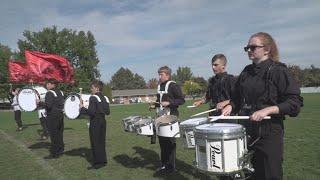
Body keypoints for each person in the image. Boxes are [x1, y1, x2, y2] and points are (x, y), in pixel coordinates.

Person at [222, 32, 303, 180]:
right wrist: (231, 106)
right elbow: (237, 98)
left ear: (267, 49)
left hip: (269, 132)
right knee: (249, 173)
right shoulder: (246, 71)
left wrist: (268, 109)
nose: (249, 51)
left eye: (253, 47)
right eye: (247, 48)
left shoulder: (278, 70)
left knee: (269, 174)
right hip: (247, 130)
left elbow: (294, 103)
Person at [154, 66, 185, 173]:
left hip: (171, 116)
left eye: (161, 74)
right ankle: (164, 164)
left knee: (170, 143)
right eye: (159, 74)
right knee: (162, 142)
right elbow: (159, 100)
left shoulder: (173, 85)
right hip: (161, 116)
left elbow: (181, 100)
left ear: (167, 75)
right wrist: (154, 105)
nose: (159, 76)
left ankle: (171, 167)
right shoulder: (159, 86)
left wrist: (169, 103)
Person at [193, 54, 236, 118]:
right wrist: (200, 102)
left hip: (227, 115)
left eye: (216, 65)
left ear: (223, 66)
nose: (213, 67)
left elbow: (238, 98)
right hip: (213, 115)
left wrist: (225, 103)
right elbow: (208, 97)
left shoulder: (231, 79)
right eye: (212, 65)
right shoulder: (212, 81)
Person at [80, 80, 110, 170]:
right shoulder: (105, 98)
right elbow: (107, 112)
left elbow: (91, 112)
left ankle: (98, 163)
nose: (91, 89)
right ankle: (103, 161)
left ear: (97, 88)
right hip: (103, 122)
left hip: (95, 123)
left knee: (95, 143)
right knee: (101, 142)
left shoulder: (93, 98)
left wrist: (82, 108)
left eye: (92, 87)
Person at [40, 79, 65, 159]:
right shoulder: (60, 92)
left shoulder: (49, 93)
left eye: (47, 84)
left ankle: (55, 153)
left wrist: (40, 102)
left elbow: (49, 105)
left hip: (52, 116)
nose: (46, 85)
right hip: (60, 115)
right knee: (59, 133)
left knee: (54, 135)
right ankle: (61, 149)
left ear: (52, 84)